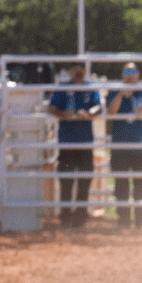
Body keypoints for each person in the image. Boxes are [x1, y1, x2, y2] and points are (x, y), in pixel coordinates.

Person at [106, 61, 142, 228]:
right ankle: (123, 221)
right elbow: (110, 112)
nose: (129, 76)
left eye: (132, 72)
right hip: (120, 146)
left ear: (138, 74)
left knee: (141, 185)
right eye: (126, 72)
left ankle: (141, 220)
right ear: (121, 75)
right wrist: (120, 96)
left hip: (140, 146)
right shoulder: (115, 90)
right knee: (121, 185)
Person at [47, 61, 101, 228]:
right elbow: (51, 108)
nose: (78, 71)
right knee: (66, 180)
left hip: (85, 142)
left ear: (85, 71)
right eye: (74, 68)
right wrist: (63, 114)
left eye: (80, 68)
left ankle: (80, 216)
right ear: (70, 71)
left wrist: (89, 113)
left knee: (85, 179)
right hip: (67, 142)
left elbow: (98, 107)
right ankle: (65, 215)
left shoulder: (90, 87)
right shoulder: (63, 88)